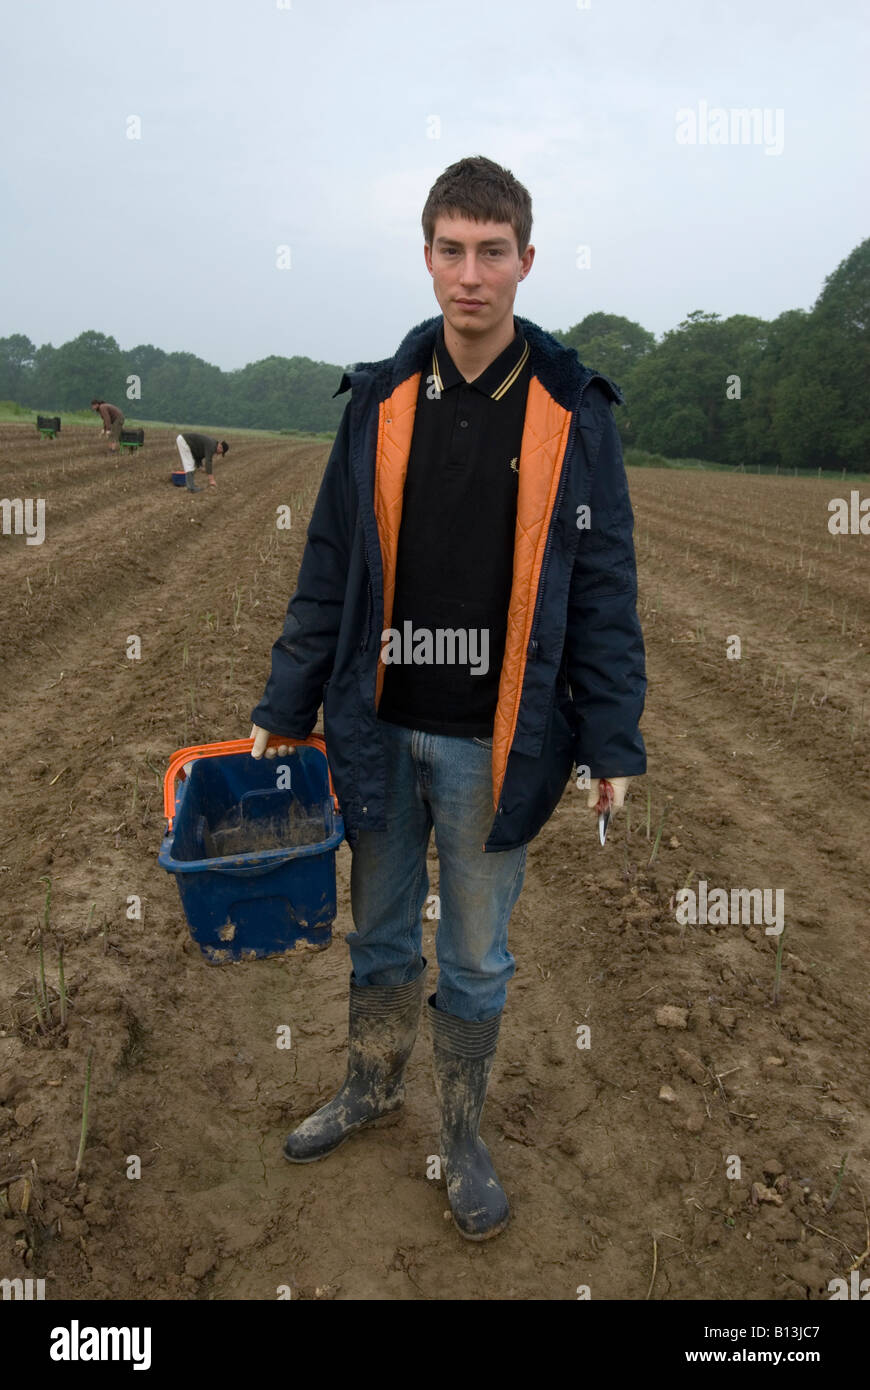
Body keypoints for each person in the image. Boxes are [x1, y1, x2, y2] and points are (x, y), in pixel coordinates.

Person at [249, 155, 647, 1241]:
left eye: (492, 251)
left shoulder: (573, 408)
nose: (471, 275)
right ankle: (372, 1085)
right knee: (379, 934)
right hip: (375, 728)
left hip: (496, 742)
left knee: (475, 951)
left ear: (526, 260)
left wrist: (613, 739)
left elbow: (604, 583)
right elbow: (331, 561)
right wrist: (288, 703)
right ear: (427, 257)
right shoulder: (380, 398)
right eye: (451, 250)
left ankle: (461, 1129)